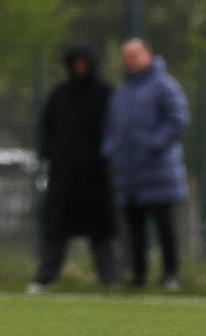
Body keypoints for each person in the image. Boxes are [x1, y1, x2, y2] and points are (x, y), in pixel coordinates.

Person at [29, 41, 116, 293]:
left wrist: (105, 156)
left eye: (84, 63)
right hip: (63, 175)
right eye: (75, 63)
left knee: (100, 230)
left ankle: (108, 277)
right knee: (56, 228)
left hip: (96, 176)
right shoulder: (60, 94)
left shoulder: (105, 94)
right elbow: (46, 128)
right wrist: (51, 152)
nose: (79, 68)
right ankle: (45, 276)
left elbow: (115, 129)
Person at [102, 37, 188, 290]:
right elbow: (110, 128)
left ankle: (170, 275)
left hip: (158, 171)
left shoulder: (164, 86)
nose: (130, 60)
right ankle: (138, 275)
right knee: (134, 230)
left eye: (135, 54)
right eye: (126, 56)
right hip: (129, 174)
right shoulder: (122, 92)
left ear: (148, 55)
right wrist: (111, 151)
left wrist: (155, 144)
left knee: (164, 227)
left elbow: (178, 119)